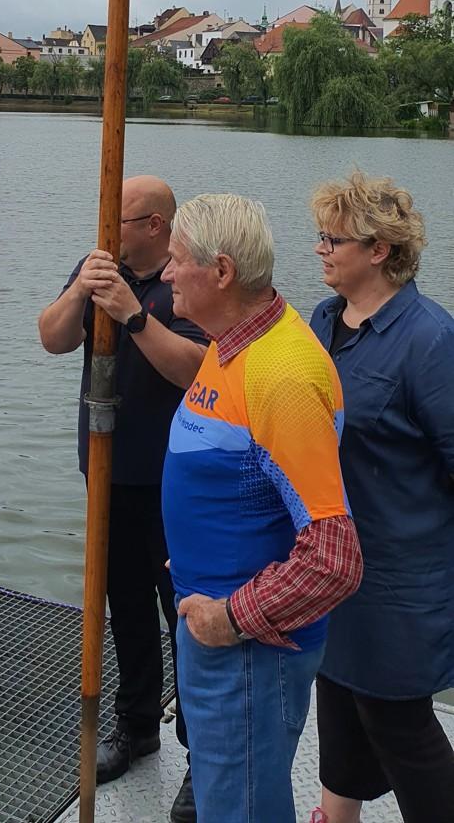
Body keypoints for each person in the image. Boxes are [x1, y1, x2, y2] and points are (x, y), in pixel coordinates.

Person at [160, 192, 363, 823]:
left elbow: (334, 559)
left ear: (221, 271)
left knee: (241, 809)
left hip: (248, 651)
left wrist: (230, 617)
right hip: (215, 625)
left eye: (176, 259)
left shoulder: (281, 375)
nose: (165, 273)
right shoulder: (231, 344)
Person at [38, 175, 208, 823]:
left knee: (185, 617)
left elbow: (195, 369)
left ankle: (200, 753)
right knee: (124, 607)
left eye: (121, 219)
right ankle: (136, 726)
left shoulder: (186, 276)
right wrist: (83, 291)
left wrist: (133, 315)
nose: (106, 230)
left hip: (175, 482)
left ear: (156, 226)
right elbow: (53, 338)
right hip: (107, 473)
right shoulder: (98, 267)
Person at [308, 170, 454, 823]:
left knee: (398, 721)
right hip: (334, 559)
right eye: (320, 237)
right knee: (338, 699)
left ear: (379, 250)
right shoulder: (323, 320)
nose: (321, 250)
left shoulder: (429, 339)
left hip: (399, 574)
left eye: (333, 240)